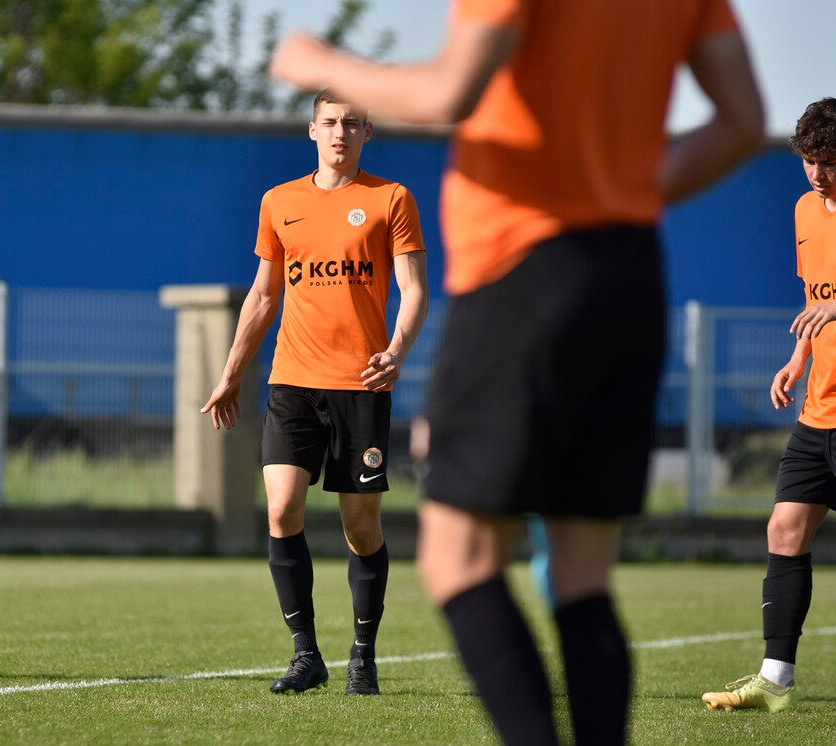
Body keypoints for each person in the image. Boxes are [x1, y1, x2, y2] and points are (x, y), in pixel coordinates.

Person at [270, 1, 763, 742]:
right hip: (628, 270)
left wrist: (324, 65)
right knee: (582, 576)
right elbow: (744, 122)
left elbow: (451, 93)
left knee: (459, 559)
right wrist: (625, 193)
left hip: (523, 269)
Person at [201, 88, 429, 696]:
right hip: (292, 381)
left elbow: (413, 289)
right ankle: (307, 654)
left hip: (361, 384)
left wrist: (397, 352)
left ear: (367, 133)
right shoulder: (279, 202)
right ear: (311, 130)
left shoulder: (390, 200)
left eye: (352, 124)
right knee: (281, 509)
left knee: (360, 526)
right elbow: (263, 296)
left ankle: (363, 656)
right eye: (329, 122)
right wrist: (230, 373)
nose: (339, 133)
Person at [702, 97, 836, 713]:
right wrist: (797, 359)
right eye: (809, 160)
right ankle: (776, 677)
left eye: (829, 161)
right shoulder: (806, 210)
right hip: (818, 410)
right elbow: (815, 296)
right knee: (783, 528)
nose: (817, 173)